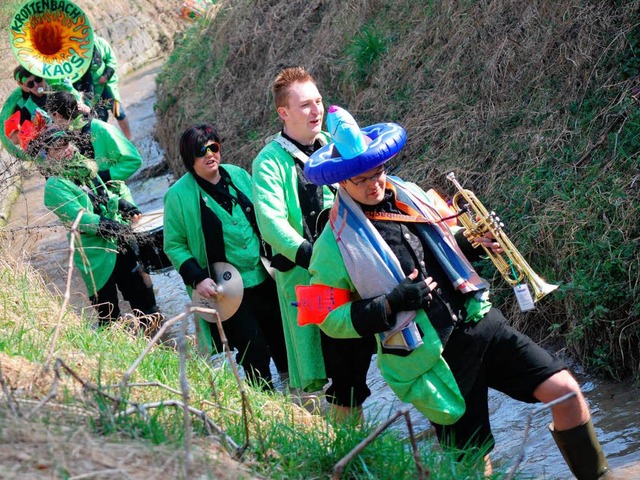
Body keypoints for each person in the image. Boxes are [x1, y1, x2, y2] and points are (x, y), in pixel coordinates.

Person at [302, 105, 614, 479]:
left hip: (482, 323)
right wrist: (391, 303)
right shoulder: (330, 243)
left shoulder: (411, 194)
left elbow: (446, 245)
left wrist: (474, 241)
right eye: (361, 179)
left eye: (379, 172)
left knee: (567, 391)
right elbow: (321, 316)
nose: (375, 184)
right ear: (341, 181)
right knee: (472, 465)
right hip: (437, 361)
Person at [252, 67, 375, 420]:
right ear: (283, 113)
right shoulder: (268, 162)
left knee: (359, 355)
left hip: (352, 270)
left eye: (318, 101)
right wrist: (313, 256)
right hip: (306, 278)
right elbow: (272, 224)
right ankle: (325, 442)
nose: (316, 110)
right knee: (323, 371)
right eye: (305, 105)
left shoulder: (331, 147)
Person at [163, 124, 288, 389]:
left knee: (284, 344)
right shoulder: (178, 196)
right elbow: (173, 245)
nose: (210, 155)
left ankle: (301, 407)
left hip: (266, 275)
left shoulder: (238, 175)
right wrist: (198, 279)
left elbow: (267, 215)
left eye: (214, 147)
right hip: (226, 289)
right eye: (201, 151)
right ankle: (265, 407)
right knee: (253, 352)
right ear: (189, 158)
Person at [27, 128, 162, 333]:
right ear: (48, 156)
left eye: (68, 144)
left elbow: (105, 198)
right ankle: (115, 355)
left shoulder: (85, 169)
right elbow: (81, 219)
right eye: (59, 148)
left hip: (120, 243)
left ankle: (157, 342)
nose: (68, 150)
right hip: (95, 256)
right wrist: (110, 225)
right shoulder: (54, 187)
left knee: (145, 304)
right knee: (109, 315)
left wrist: (123, 204)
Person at [46, 91, 142, 182]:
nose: (52, 123)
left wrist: (104, 177)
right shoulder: (68, 136)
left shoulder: (101, 129)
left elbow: (133, 160)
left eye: (51, 118)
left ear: (57, 115)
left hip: (115, 194)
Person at [1, 66, 86, 158]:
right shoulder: (27, 108)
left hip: (78, 138)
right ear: (26, 87)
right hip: (57, 153)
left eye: (38, 79)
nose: (36, 85)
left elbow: (80, 112)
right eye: (30, 84)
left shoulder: (60, 90)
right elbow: (15, 139)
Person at [73, 36, 132, 139]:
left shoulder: (99, 42)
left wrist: (106, 76)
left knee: (119, 113)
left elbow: (112, 59)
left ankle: (130, 139)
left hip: (107, 87)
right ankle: (109, 144)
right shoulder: (72, 51)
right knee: (101, 119)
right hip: (91, 93)